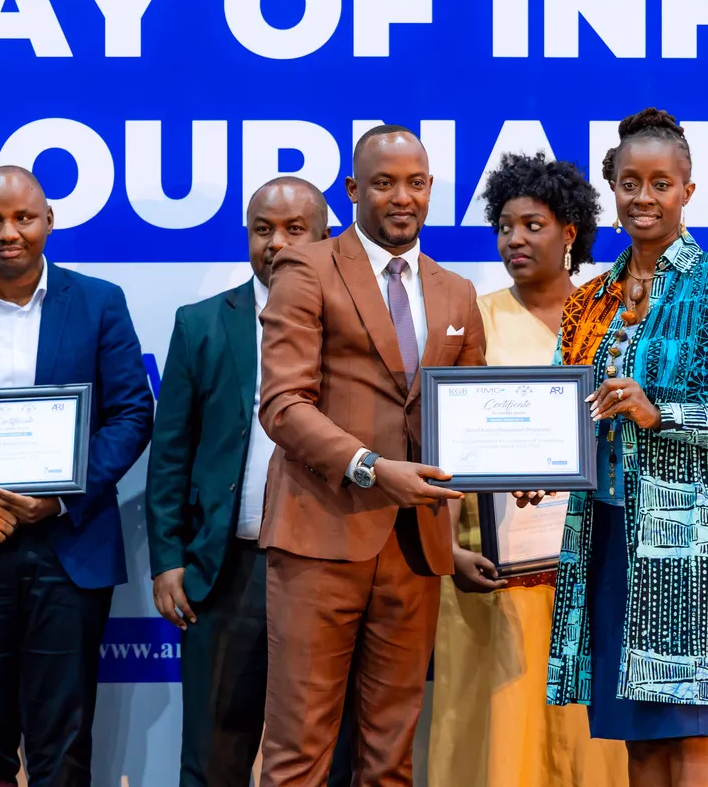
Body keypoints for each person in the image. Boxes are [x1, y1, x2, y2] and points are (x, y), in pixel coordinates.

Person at [547, 108, 708, 787]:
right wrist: (545, 465)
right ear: (613, 189)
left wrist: (665, 415)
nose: (643, 198)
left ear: (688, 190)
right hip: (608, 538)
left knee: (697, 737)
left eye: (661, 183)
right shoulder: (588, 302)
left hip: (699, 544)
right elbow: (568, 414)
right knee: (642, 743)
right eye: (630, 183)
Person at [0, 166, 154, 787]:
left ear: (49, 221)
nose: (8, 232)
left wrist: (61, 497)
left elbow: (131, 413)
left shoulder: (99, 302)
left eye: (23, 218)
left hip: (68, 546)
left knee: (63, 740)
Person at [257, 125, 488, 787]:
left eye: (415, 183)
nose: (401, 197)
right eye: (384, 183)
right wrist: (370, 468)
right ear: (354, 190)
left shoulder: (456, 292)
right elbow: (283, 405)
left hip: (417, 550)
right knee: (298, 753)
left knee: (390, 758)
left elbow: (470, 421)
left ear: (431, 189)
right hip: (321, 538)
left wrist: (510, 485)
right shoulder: (307, 268)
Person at [147, 176, 355, 787]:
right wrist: (168, 560)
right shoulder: (202, 324)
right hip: (226, 571)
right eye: (263, 229)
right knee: (213, 752)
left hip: (326, 568)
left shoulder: (355, 327)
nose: (277, 243)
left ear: (326, 238)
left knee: (324, 752)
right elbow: (171, 453)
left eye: (295, 229)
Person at [428, 152, 627, 787]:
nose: (515, 238)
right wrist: (447, 549)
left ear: (570, 232)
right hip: (492, 567)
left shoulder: (616, 319)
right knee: (499, 736)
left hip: (594, 565)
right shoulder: (472, 319)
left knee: (588, 741)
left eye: (533, 225)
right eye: (505, 226)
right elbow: (441, 444)